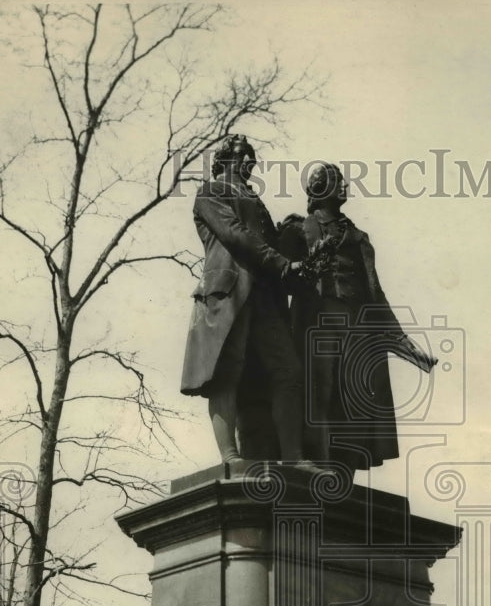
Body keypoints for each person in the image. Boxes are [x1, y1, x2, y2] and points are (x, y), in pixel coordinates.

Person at [279, 162, 436, 477]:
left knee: (354, 398)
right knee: (318, 395)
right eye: (337, 182)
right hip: (316, 321)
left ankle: (344, 478)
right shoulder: (297, 229)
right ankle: (319, 469)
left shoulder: (359, 237)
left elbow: (376, 294)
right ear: (320, 189)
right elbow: (280, 279)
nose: (345, 187)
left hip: (356, 325)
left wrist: (404, 342)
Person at [180, 134, 310, 467]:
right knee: (227, 372)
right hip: (229, 295)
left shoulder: (253, 198)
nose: (249, 162)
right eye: (242, 156)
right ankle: (230, 457)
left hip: (266, 297)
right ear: (224, 160)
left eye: (251, 156)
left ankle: (293, 458)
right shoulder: (212, 191)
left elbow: (264, 240)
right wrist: (282, 264)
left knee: (289, 372)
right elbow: (236, 233)